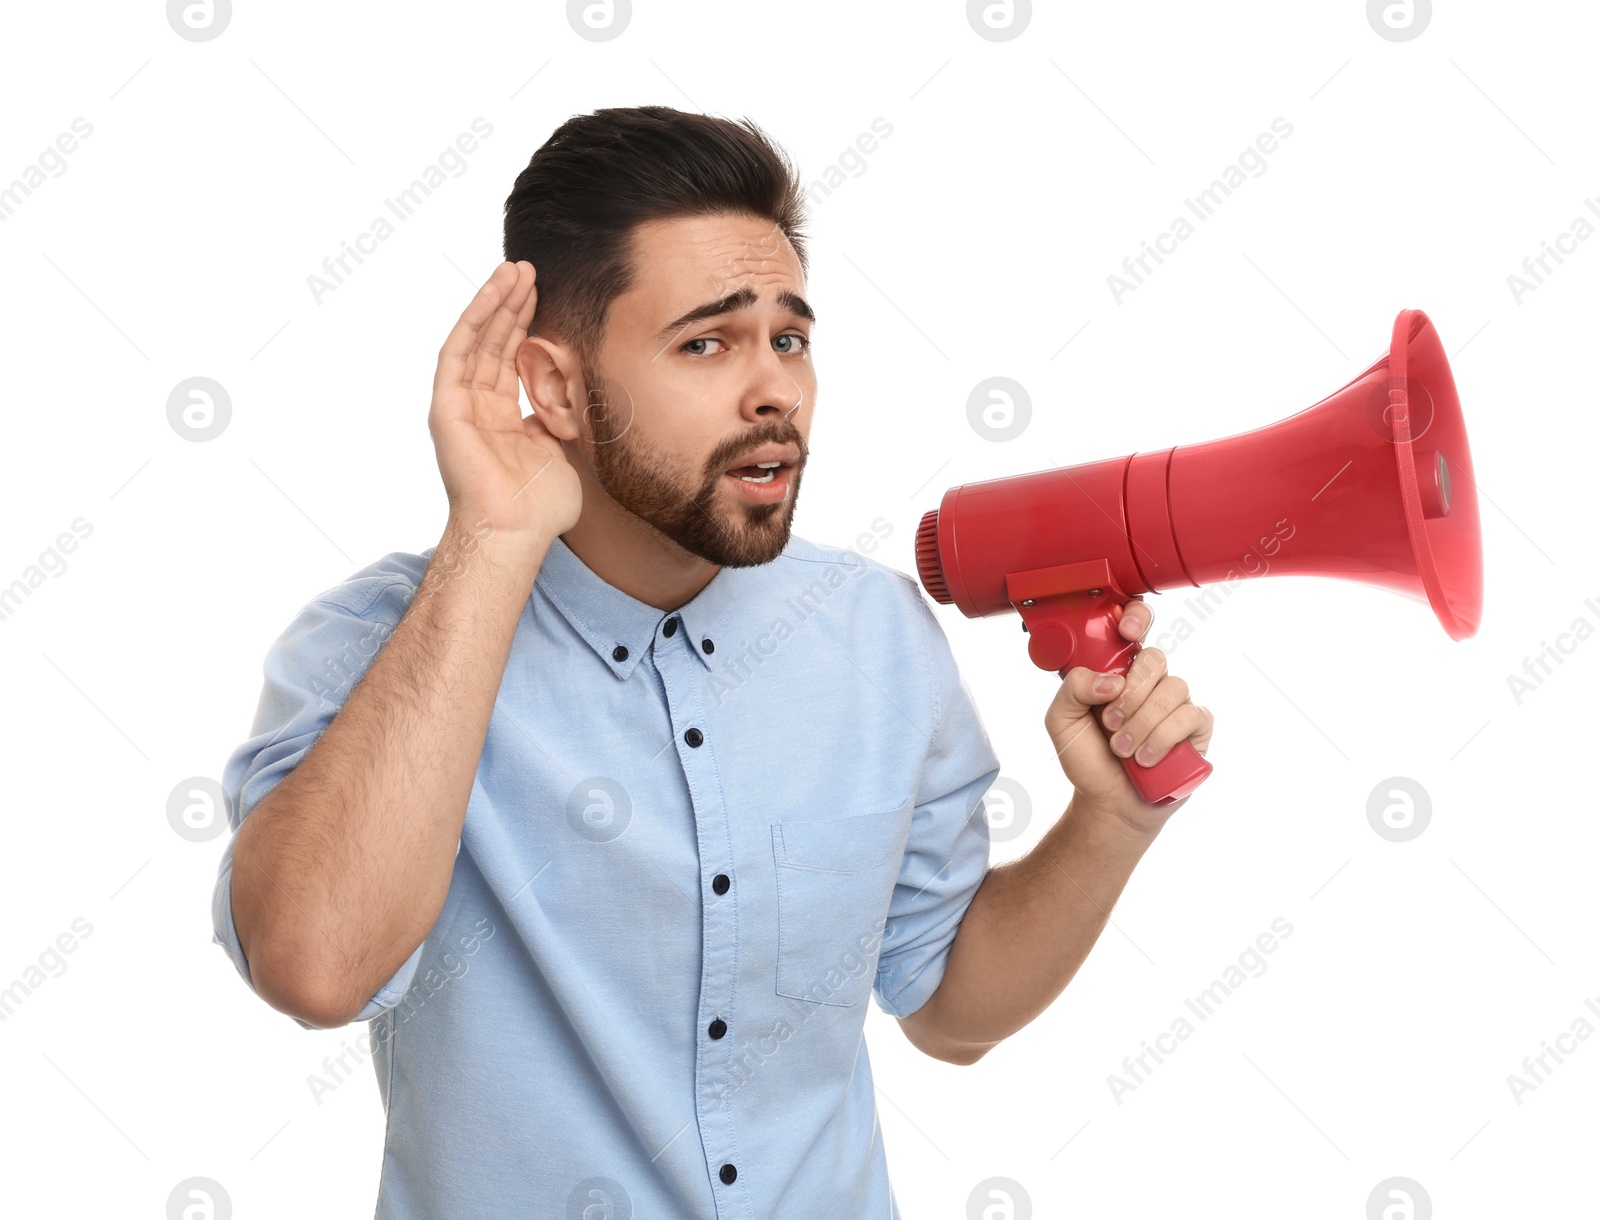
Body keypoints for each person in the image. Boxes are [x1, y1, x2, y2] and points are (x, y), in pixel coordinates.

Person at [210, 104, 1214, 1218]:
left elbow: (948, 1008)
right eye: (706, 342)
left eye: (789, 337)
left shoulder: (874, 633)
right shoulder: (380, 643)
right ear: (550, 384)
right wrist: (494, 537)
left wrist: (1112, 819)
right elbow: (312, 965)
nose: (775, 388)